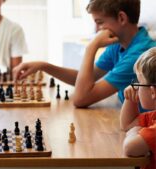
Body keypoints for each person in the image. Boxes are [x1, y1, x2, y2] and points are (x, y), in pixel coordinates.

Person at [13, 0, 156, 108]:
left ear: (122, 18)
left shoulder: (139, 54)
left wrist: (91, 47)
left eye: (99, 22)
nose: (97, 29)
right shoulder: (120, 44)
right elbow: (86, 78)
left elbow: (81, 98)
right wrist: (44, 66)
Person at [120, 47, 156, 169]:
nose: (136, 87)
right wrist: (130, 99)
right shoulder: (154, 115)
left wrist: (135, 132)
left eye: (139, 82)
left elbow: (130, 148)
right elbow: (128, 123)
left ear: (152, 92)